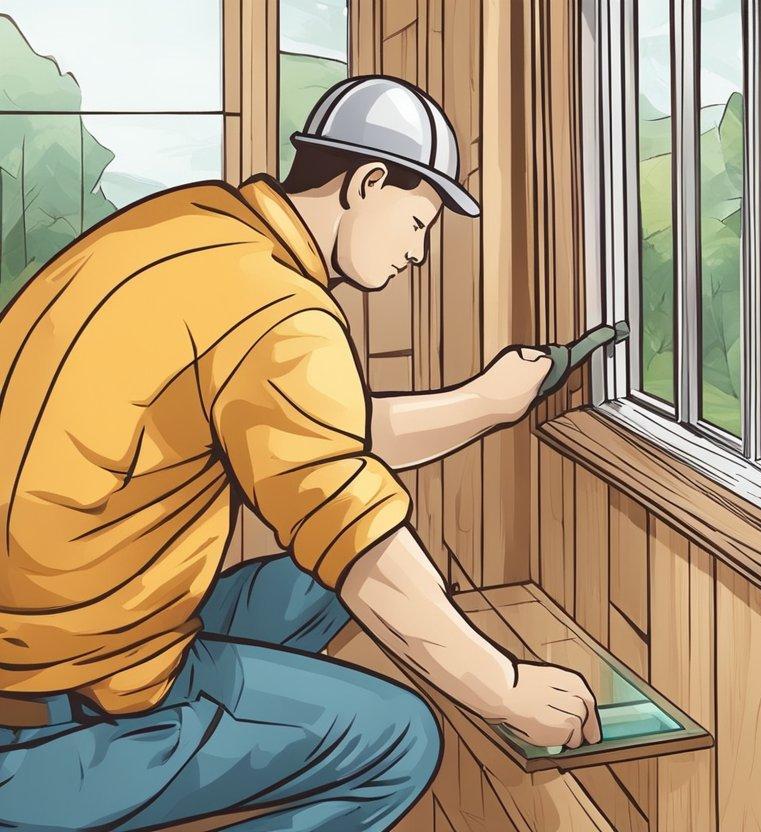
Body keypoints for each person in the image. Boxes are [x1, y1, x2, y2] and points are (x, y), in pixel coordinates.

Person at [0, 76, 600, 831]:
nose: (418, 253)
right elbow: (356, 537)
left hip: (45, 629)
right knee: (398, 740)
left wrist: (484, 403)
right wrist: (505, 688)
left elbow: (301, 424)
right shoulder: (282, 311)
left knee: (307, 586)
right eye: (418, 222)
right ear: (368, 182)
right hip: (49, 717)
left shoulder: (195, 227)